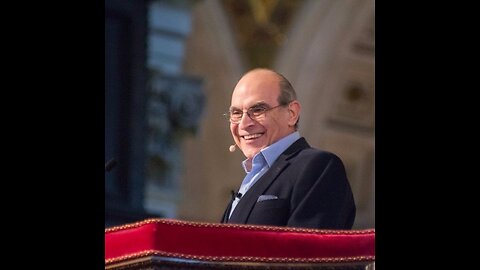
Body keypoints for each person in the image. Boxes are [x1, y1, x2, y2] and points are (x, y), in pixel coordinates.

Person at [220, 68, 356, 230]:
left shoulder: (318, 166)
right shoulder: (252, 177)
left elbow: (309, 251)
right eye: (236, 113)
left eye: (257, 110)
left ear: (292, 113)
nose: (244, 124)